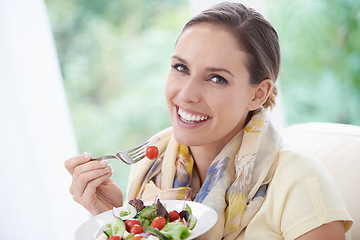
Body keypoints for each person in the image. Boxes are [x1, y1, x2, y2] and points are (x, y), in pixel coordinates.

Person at [65, 2, 353, 239]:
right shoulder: (150, 168)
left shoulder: (298, 181)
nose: (187, 94)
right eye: (181, 68)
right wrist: (116, 218)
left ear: (258, 93)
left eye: (217, 78)